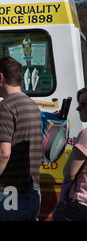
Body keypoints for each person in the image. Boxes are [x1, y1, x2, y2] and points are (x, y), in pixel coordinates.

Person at [0, 57, 42, 221]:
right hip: (31, 189)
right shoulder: (31, 104)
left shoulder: (6, 106)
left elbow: (3, 153)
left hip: (9, 190)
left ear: (0, 78)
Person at [52, 87, 87, 220]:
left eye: (83, 104)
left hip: (80, 208)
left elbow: (69, 173)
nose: (78, 109)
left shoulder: (85, 134)